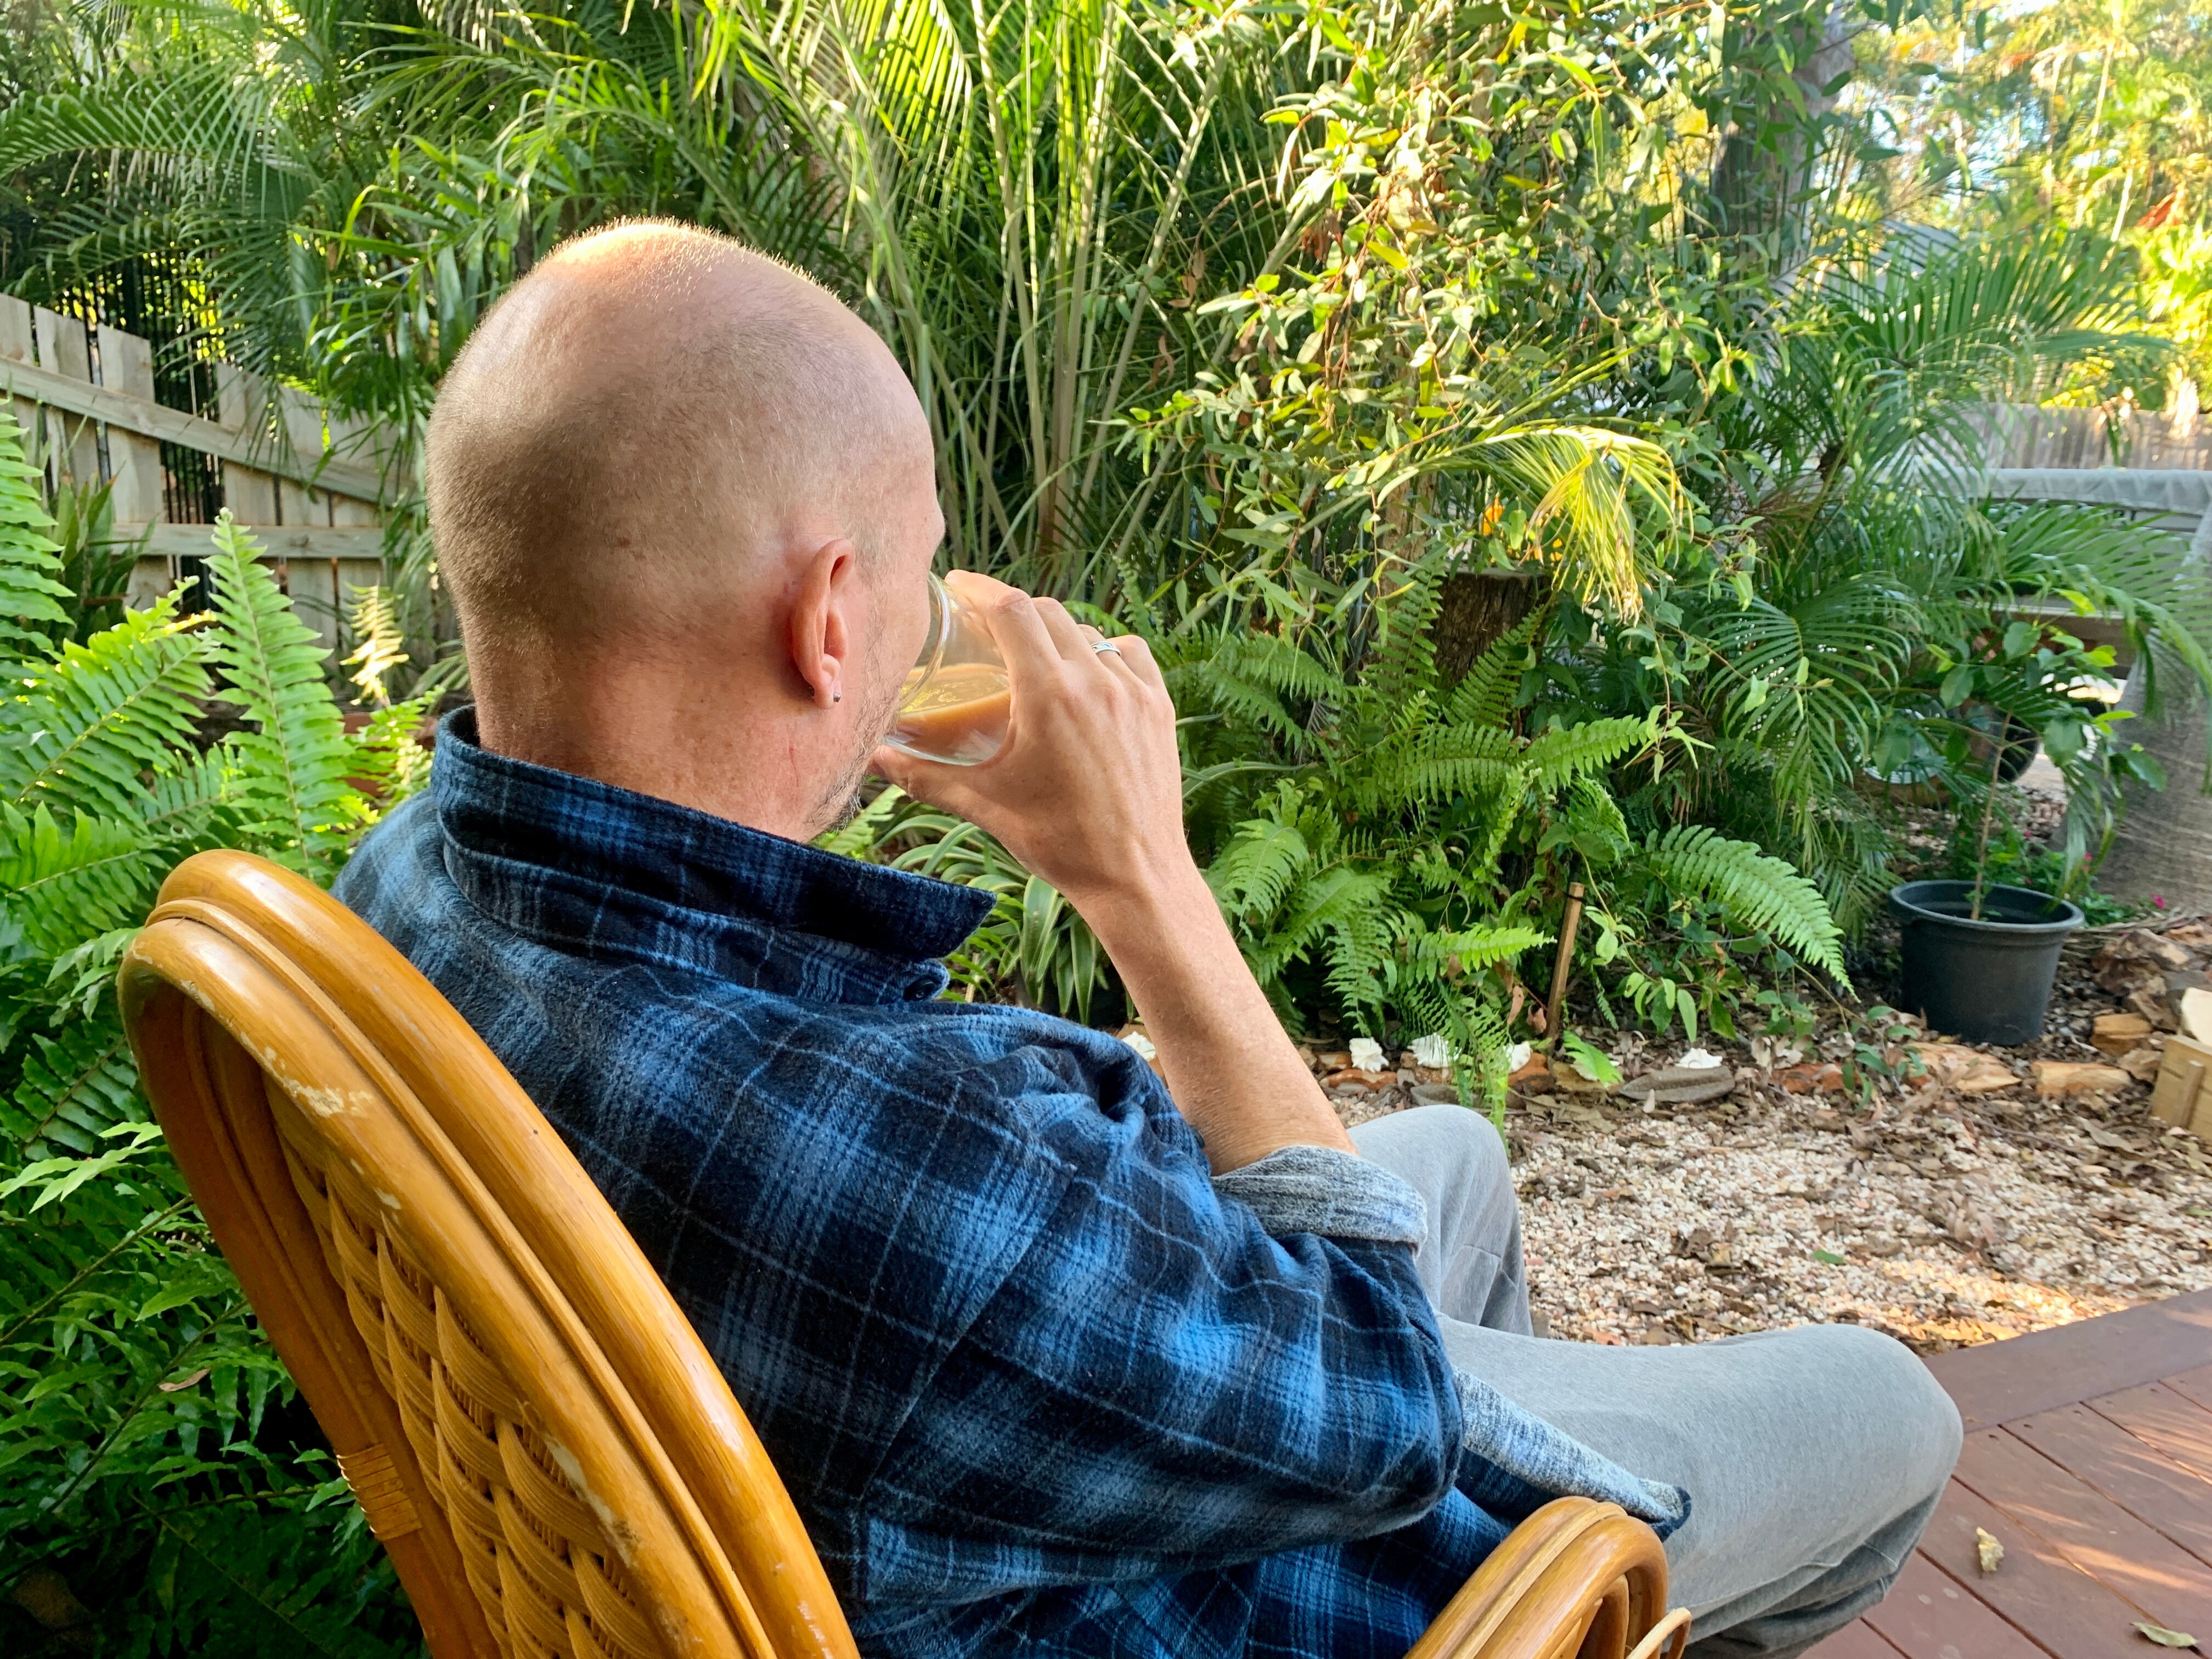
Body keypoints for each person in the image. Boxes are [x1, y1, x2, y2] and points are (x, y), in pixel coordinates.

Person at [335, 219, 1961, 1659]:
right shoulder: (945, 1160)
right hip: (1224, 1571)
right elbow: (1380, 1396)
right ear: (831, 625)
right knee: (1891, 1405)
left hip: (912, 1477)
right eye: (915, 575)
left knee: (1452, 1143)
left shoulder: (395, 893)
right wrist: (1146, 885)